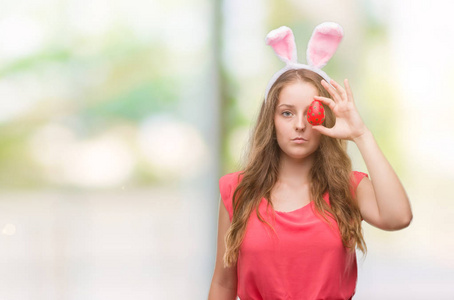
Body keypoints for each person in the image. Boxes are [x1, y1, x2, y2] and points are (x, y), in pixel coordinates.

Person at [208, 23, 413, 300]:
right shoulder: (237, 190)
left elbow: (399, 217)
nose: (300, 125)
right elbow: (224, 285)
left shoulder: (348, 188)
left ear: (325, 118)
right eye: (287, 113)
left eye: (312, 112)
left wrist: (361, 134)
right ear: (271, 120)